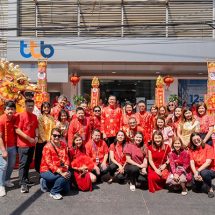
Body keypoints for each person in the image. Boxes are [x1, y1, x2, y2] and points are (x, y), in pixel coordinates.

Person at [40, 128, 71, 200]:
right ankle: (54, 192)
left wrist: (66, 167)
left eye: (58, 136)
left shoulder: (63, 144)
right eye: (54, 135)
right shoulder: (47, 147)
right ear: (51, 136)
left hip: (60, 168)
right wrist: (61, 172)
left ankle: (45, 183)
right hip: (46, 170)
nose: (57, 137)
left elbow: (66, 158)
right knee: (64, 176)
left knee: (66, 190)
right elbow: (49, 164)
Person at [15, 99, 39, 193]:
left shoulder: (34, 116)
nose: (30, 107)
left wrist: (36, 136)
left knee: (28, 163)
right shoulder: (21, 116)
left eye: (32, 106)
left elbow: (36, 127)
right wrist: (29, 138)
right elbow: (17, 130)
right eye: (29, 105)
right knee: (23, 164)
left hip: (32, 143)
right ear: (25, 106)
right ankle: (22, 184)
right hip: (23, 144)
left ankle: (25, 179)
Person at [189, 132, 215, 198]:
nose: (196, 141)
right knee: (195, 188)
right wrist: (195, 173)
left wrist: (198, 172)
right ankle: (203, 181)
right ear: (192, 142)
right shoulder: (191, 150)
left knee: (204, 173)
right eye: (194, 140)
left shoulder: (208, 147)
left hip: (210, 169)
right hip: (198, 170)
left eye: (198, 139)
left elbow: (208, 163)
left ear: (201, 138)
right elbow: (192, 163)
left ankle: (210, 189)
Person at [0, 101, 17, 197]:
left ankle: (6, 180)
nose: (10, 111)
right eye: (8, 109)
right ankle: (1, 185)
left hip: (12, 145)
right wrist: (3, 150)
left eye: (12, 109)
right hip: (3, 146)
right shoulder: (1, 120)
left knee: (11, 164)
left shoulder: (14, 118)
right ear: (4, 110)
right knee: (3, 165)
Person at [36, 102, 56, 173]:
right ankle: (40, 172)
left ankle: (47, 171)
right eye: (44, 107)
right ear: (42, 108)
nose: (46, 109)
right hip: (42, 141)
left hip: (50, 141)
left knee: (48, 157)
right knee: (40, 158)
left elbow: (54, 129)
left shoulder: (51, 117)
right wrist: (46, 140)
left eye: (48, 107)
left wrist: (52, 138)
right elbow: (40, 130)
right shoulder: (40, 118)